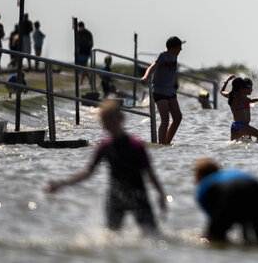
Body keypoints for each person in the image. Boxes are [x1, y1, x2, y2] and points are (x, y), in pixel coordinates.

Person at [45, 100, 168, 235]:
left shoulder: (135, 144)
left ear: (121, 119)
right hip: (116, 196)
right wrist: (62, 183)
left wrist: (161, 194)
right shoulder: (105, 146)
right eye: (105, 121)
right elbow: (88, 172)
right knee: (110, 236)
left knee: (153, 236)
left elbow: (149, 172)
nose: (110, 124)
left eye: (112, 119)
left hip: (138, 194)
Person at [193, 158, 258, 246]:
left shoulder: (206, 185)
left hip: (232, 192)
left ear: (199, 176)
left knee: (213, 239)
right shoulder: (226, 174)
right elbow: (244, 218)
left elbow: (216, 220)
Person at [140, 36, 185, 145]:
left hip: (170, 91)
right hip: (159, 90)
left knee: (178, 117)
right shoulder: (162, 56)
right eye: (179, 48)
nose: (181, 50)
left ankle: (167, 143)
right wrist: (145, 77)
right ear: (173, 48)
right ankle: (161, 145)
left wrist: (176, 83)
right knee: (165, 119)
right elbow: (151, 67)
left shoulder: (175, 57)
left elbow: (174, 72)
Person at [222, 75, 258, 142]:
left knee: (237, 145)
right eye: (244, 87)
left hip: (234, 125)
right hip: (242, 126)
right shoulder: (240, 97)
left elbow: (222, 91)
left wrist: (227, 81)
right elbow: (251, 100)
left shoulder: (230, 95)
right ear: (240, 88)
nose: (245, 88)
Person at [75, 21, 94, 86]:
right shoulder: (88, 33)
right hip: (86, 51)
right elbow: (92, 43)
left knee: (83, 66)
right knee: (84, 66)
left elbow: (77, 43)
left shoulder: (79, 33)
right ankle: (83, 81)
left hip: (82, 51)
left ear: (79, 26)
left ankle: (87, 80)